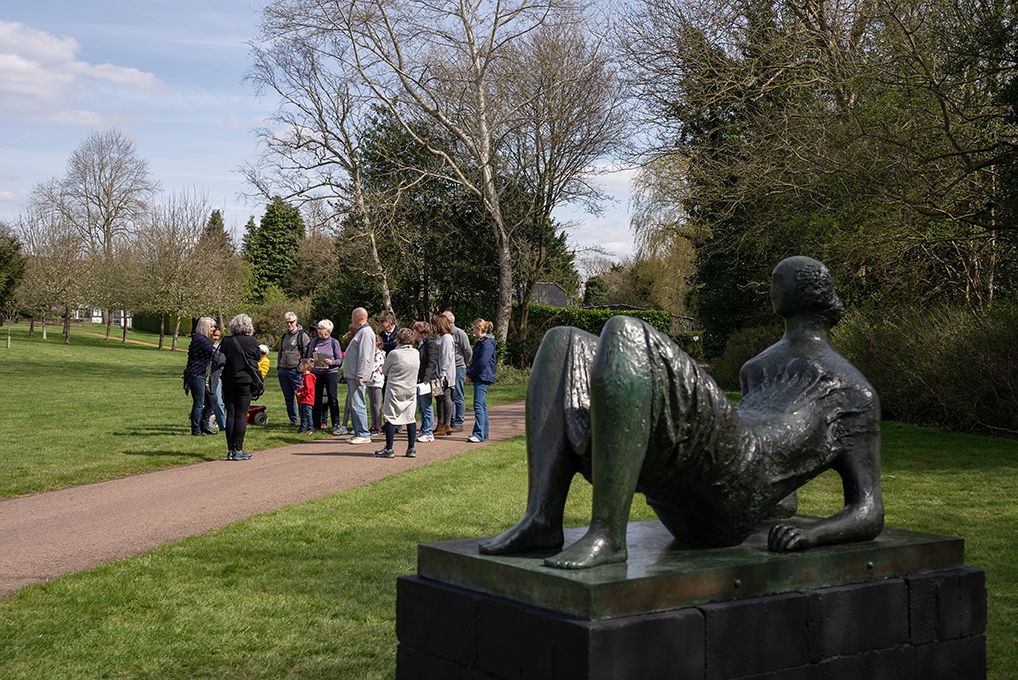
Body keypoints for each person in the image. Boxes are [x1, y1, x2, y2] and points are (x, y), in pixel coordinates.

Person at [479, 256, 884, 570]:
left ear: (806, 293)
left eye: (780, 279)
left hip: (732, 494)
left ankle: (607, 535)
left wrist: (814, 533)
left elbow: (868, 510)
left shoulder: (853, 390)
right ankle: (541, 518)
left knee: (626, 331)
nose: (772, 285)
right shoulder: (759, 367)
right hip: (695, 485)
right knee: (562, 342)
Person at [219, 313, 263, 461]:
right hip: (245, 381)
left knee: (231, 414)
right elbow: (258, 356)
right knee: (241, 415)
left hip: (228, 380)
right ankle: (238, 449)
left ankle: (230, 450)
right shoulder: (251, 342)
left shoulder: (226, 341)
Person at [376, 328, 421, 458]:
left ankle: (389, 448)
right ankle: (411, 448)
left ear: (398, 339)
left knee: (390, 417)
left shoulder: (394, 354)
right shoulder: (416, 353)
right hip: (410, 389)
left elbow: (384, 370)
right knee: (410, 418)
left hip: (395, 390)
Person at [344, 307, 376, 444]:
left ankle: (363, 434)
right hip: (353, 375)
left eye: (352, 317)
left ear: (358, 317)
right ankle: (358, 432)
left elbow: (365, 357)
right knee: (354, 404)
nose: (351, 320)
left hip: (357, 376)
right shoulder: (362, 332)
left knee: (358, 404)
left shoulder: (366, 333)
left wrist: (360, 376)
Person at [307, 319, 343, 434]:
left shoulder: (334, 342)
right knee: (316, 398)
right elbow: (308, 357)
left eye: (320, 329)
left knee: (332, 398)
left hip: (330, 373)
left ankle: (335, 423)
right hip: (316, 373)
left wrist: (331, 362)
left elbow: (339, 360)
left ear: (327, 330)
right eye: (318, 328)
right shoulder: (314, 342)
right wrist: (312, 361)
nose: (318, 331)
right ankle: (316, 424)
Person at [183, 317, 217, 436]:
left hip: (202, 374)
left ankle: (204, 424)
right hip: (196, 374)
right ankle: (196, 429)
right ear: (205, 327)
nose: (214, 329)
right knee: (199, 403)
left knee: (212, 400)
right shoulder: (201, 340)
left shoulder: (203, 339)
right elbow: (215, 354)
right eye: (212, 327)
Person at [466, 318, 497, 443]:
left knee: (478, 405)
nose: (473, 331)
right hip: (481, 376)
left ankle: (479, 433)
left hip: (483, 376)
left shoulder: (487, 343)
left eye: (474, 328)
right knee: (482, 406)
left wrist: (471, 374)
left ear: (479, 328)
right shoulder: (483, 343)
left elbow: (482, 362)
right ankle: (484, 433)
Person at [277, 312, 311, 426]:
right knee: (288, 397)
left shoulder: (302, 336)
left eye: (291, 322)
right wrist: (279, 366)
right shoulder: (284, 335)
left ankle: (304, 420)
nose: (289, 324)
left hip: (296, 370)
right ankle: (293, 420)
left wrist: (303, 369)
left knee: (300, 396)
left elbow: (306, 353)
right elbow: (280, 352)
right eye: (287, 322)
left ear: (296, 321)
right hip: (283, 370)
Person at [444, 310, 473, 432]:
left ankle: (458, 422)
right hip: (447, 369)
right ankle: (450, 422)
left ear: (449, 321)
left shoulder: (459, 333)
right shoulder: (443, 334)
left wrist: (464, 364)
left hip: (458, 367)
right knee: (449, 396)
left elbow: (468, 351)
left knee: (457, 395)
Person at [413, 321, 439, 443]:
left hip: (426, 380)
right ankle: (424, 429)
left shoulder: (430, 343)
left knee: (427, 406)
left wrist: (426, 378)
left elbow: (432, 362)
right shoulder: (419, 344)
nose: (413, 333)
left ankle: (429, 432)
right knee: (421, 406)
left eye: (415, 330)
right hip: (419, 379)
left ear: (420, 332)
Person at [432, 313, 456, 436]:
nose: (434, 326)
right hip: (436, 373)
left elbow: (446, 357)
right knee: (438, 398)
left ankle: (447, 424)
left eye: (435, 324)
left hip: (444, 374)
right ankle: (440, 424)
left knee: (446, 398)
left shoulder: (447, 338)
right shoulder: (439, 337)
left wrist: (443, 373)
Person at [208, 325, 226, 433]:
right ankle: (204, 425)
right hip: (206, 377)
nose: (216, 338)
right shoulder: (205, 345)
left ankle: (223, 425)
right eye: (214, 335)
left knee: (219, 402)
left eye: (218, 336)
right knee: (205, 403)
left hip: (216, 378)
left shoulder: (220, 347)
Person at [367, 334, 387, 434]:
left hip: (377, 381)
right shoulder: (371, 353)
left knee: (376, 404)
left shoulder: (379, 354)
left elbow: (372, 367)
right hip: (370, 381)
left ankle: (379, 425)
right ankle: (373, 425)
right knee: (371, 404)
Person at [296, 357, 317, 434]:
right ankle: (302, 428)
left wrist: (301, 394)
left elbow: (308, 389)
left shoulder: (308, 377)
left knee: (307, 414)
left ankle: (310, 429)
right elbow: (303, 387)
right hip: (302, 400)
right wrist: (298, 391)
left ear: (305, 367)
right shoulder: (304, 377)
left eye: (301, 365)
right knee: (302, 415)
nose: (299, 367)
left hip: (307, 400)